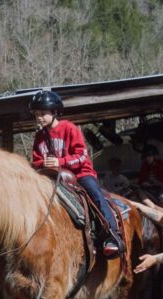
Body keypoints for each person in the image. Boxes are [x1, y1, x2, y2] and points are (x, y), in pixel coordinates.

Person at [29, 90, 123, 257]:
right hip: (52, 177)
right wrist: (44, 163)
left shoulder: (69, 128)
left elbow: (81, 156)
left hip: (79, 174)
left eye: (43, 113)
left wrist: (60, 162)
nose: (39, 117)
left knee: (95, 194)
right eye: (36, 114)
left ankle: (112, 235)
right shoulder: (39, 136)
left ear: (54, 112)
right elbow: (35, 160)